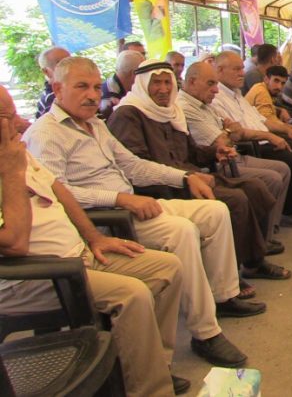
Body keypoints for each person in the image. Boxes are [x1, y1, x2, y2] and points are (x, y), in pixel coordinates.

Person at [22, 57, 255, 368]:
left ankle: (223, 296)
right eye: (81, 87)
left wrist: (185, 177)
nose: (92, 95)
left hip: (129, 205)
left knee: (214, 211)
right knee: (181, 231)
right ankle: (205, 333)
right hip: (102, 219)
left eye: (96, 87)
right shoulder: (46, 134)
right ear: (57, 88)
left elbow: (132, 165)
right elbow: (57, 193)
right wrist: (119, 198)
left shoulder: (95, 124)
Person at [0, 85, 186, 396]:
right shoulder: (11, 160)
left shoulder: (14, 151)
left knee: (168, 267)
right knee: (133, 294)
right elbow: (14, 243)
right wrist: (11, 173)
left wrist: (95, 237)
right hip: (36, 278)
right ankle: (151, 389)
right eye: (7, 116)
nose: (21, 124)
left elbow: (59, 189)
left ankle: (151, 365)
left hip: (78, 256)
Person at [107, 60, 291, 286]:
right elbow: (137, 167)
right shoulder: (128, 115)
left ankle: (252, 261)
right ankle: (229, 277)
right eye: (156, 83)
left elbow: (191, 151)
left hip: (192, 177)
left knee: (255, 188)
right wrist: (185, 177)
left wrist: (215, 152)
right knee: (236, 200)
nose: (163, 89)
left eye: (167, 82)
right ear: (143, 84)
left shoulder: (170, 112)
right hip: (163, 189)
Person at [178, 61, 292, 237]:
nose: (215, 90)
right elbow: (222, 141)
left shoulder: (209, 102)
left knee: (284, 167)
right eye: (211, 84)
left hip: (235, 153)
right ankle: (259, 235)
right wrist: (230, 131)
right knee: (273, 176)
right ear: (192, 82)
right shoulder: (187, 107)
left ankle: (269, 229)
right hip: (217, 163)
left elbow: (238, 130)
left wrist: (233, 132)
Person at [211, 51, 292, 228]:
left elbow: (261, 119)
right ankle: (289, 212)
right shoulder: (217, 98)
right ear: (220, 70)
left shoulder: (236, 93)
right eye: (237, 69)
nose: (242, 73)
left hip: (262, 137)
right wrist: (271, 135)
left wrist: (286, 128)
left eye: (242, 68)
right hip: (250, 145)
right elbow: (237, 133)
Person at [99, 50, 144, 119]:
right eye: (143, 73)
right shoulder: (110, 100)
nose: (144, 78)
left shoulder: (111, 86)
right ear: (133, 73)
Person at [35, 46, 70, 118]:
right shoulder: (52, 99)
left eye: (71, 62)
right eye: (62, 64)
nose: (70, 68)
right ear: (46, 72)